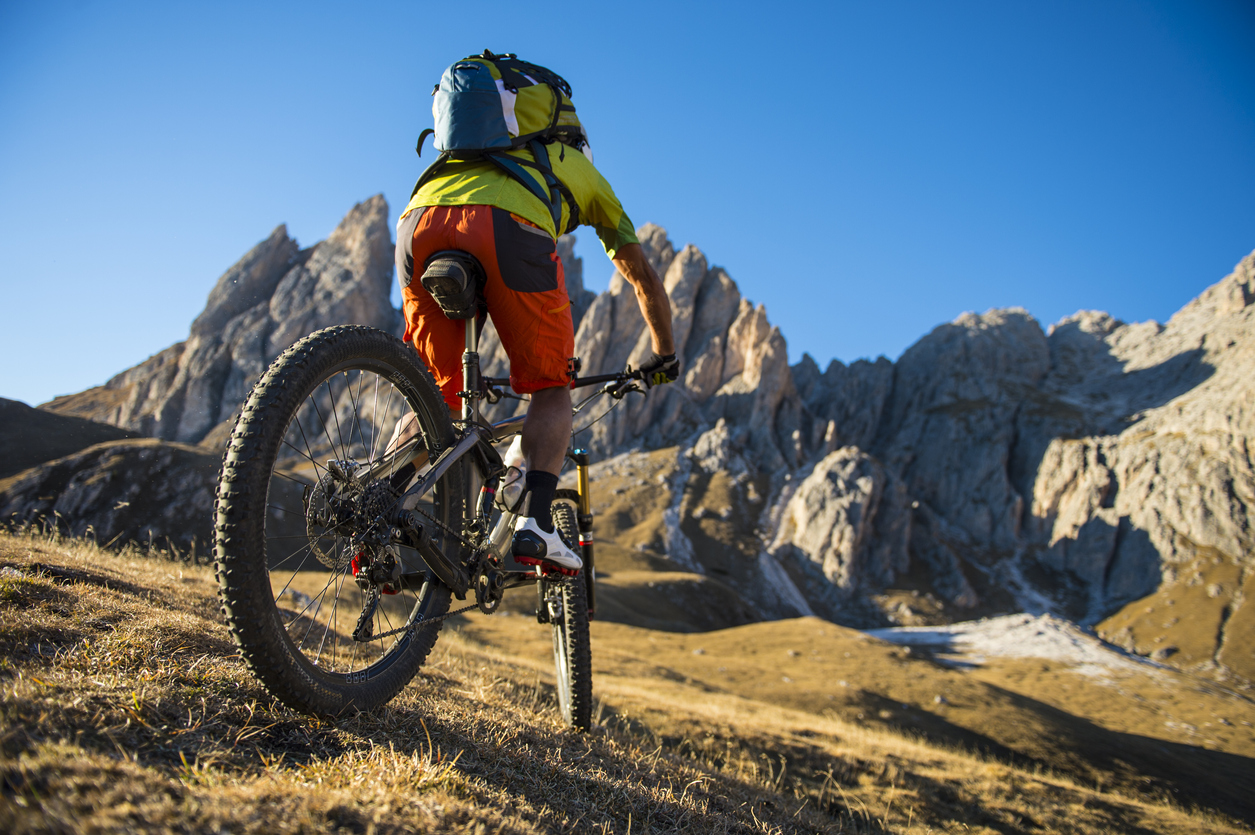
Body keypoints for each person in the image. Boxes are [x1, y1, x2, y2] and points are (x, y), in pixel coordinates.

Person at [393, 62, 677, 574]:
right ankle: (537, 526)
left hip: (417, 223)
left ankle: (379, 506)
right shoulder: (579, 167)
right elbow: (643, 279)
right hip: (506, 228)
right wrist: (664, 354)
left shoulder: (464, 154)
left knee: (439, 392)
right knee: (549, 388)